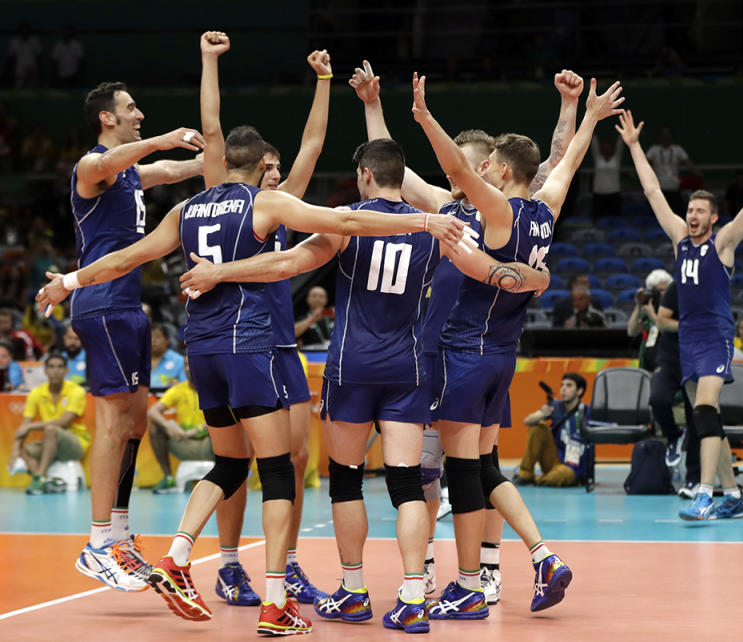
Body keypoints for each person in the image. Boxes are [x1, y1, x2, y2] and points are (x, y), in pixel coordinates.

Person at [39, 124, 471, 634]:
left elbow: (137, 258)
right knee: (349, 478)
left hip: (250, 355)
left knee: (256, 466)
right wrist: (435, 223)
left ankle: (204, 562)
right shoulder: (279, 206)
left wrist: (71, 280)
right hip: (345, 359)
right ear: (257, 166)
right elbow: (357, 226)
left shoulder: (191, 211)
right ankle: (352, 599)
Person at [175, 135, 548, 633]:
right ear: (401, 176)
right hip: (409, 370)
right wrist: (535, 278)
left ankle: (353, 592)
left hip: (351, 369)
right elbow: (488, 270)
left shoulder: (348, 224)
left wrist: (221, 273)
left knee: (347, 477)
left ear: (366, 175)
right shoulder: (433, 232)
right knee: (407, 484)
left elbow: (286, 265)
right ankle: (414, 595)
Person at [347, 59, 583, 606]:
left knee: (472, 466)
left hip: (464, 353)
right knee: (443, 470)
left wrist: (570, 110)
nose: (459, 176)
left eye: (470, 168)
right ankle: (431, 568)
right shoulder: (446, 208)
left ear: (490, 171)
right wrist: (372, 105)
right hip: (438, 352)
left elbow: (552, 166)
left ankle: (483, 575)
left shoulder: (496, 213)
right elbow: (392, 171)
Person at [412, 72, 622, 618]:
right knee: (485, 469)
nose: (482, 173)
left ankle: (466, 589)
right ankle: (542, 555)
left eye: (491, 166)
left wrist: (424, 117)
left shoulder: (499, 213)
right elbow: (569, 160)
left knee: (463, 475)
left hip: (465, 352)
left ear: (503, 170)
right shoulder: (547, 209)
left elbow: (457, 169)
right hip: (504, 355)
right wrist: (582, 113)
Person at [197, 31, 333, 606]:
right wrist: (209, 64)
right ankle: (229, 566)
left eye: (279, 166)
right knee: (236, 460)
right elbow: (211, 132)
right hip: (233, 341)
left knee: (296, 459)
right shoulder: (225, 199)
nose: (277, 172)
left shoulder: (280, 209)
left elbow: (314, 142)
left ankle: (289, 563)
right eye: (269, 166)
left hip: (280, 346)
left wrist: (325, 82)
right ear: (250, 170)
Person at [66, 80, 206, 592]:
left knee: (135, 420)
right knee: (112, 420)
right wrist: (164, 138)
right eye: (130, 108)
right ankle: (97, 544)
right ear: (108, 119)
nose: (139, 113)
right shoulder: (91, 167)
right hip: (101, 302)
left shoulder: (127, 176)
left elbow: (164, 171)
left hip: (126, 305)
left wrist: (205, 163)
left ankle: (119, 533)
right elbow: (131, 160)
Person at [619, 112, 743, 521]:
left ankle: (705, 494)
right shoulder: (679, 240)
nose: (692, 215)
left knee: (705, 413)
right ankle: (733, 494)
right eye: (689, 209)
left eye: (699, 211)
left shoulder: (723, 242)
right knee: (704, 420)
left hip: (714, 334)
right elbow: (654, 190)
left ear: (712, 218)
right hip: (688, 337)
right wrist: (635, 146)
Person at [635, 276, 701, 495]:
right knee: (658, 398)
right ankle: (673, 436)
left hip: (698, 357)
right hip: (670, 356)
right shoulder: (677, 287)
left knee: (696, 418)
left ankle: (693, 479)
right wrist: (690, 327)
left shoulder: (712, 287)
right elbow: (662, 322)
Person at [9, 353, 90, 494]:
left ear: (66, 370)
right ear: (45, 370)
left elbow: (64, 422)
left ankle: (39, 477)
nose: (55, 371)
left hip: (75, 442)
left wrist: (30, 426)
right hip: (49, 442)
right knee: (22, 446)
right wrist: (15, 450)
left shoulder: (76, 391)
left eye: (60, 367)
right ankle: (44, 480)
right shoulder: (36, 393)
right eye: (51, 367)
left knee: (51, 429)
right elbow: (24, 425)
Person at [147, 356, 212, 494]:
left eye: (192, 364)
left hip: (210, 444)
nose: (189, 368)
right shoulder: (178, 389)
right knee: (155, 426)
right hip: (185, 443)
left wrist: (196, 430)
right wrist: (167, 426)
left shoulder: (215, 387)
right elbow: (153, 411)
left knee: (224, 426)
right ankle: (169, 478)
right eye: (186, 365)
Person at [515, 373, 592, 486]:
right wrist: (542, 415)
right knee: (538, 426)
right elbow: (527, 421)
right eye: (562, 385)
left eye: (569, 385)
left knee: (564, 474)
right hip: (553, 460)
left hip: (573, 467)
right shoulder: (554, 406)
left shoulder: (588, 411)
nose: (563, 389)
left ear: (579, 391)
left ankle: (539, 480)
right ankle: (526, 474)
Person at [645, 126, 699, 214]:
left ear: (671, 136)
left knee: (676, 213)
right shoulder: (654, 150)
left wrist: (699, 174)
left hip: (674, 187)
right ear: (660, 136)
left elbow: (688, 163)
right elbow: (644, 163)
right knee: (658, 214)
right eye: (663, 134)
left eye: (667, 134)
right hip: (659, 189)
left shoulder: (677, 149)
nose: (665, 136)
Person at [627, 268, 672, 371]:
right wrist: (638, 306)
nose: (662, 293)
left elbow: (666, 330)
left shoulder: (673, 308)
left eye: (664, 289)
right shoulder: (647, 308)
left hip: (666, 362)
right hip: (646, 362)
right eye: (658, 290)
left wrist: (652, 314)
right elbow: (631, 331)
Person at [590, 135, 623, 219]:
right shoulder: (598, 158)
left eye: (608, 147)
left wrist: (621, 134)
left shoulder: (616, 159)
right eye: (604, 147)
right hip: (598, 193)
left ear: (612, 149)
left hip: (614, 193)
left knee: (615, 220)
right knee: (597, 219)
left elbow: (620, 145)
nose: (606, 149)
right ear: (601, 149)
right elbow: (594, 144)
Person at [149, 325, 185, 390]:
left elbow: (187, 386)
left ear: (167, 340)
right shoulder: (139, 361)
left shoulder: (179, 360)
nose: (153, 340)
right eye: (149, 337)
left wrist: (179, 385)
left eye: (157, 337)